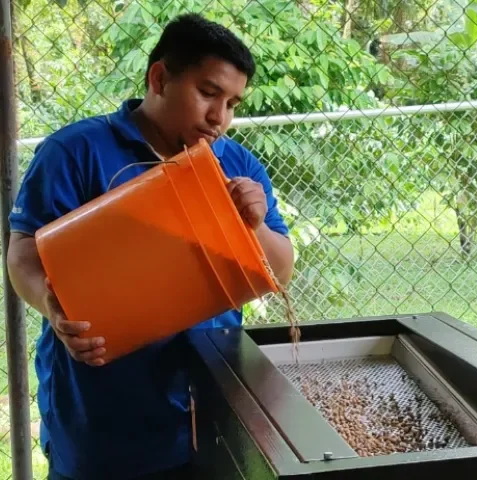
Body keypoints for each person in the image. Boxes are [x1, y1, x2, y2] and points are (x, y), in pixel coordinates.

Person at [6, 13, 294, 480]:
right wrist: (52, 305)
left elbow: (279, 269)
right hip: (102, 423)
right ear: (159, 78)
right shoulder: (74, 151)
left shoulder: (237, 164)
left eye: (233, 103)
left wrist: (253, 224)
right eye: (208, 93)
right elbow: (22, 254)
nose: (219, 118)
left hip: (210, 418)